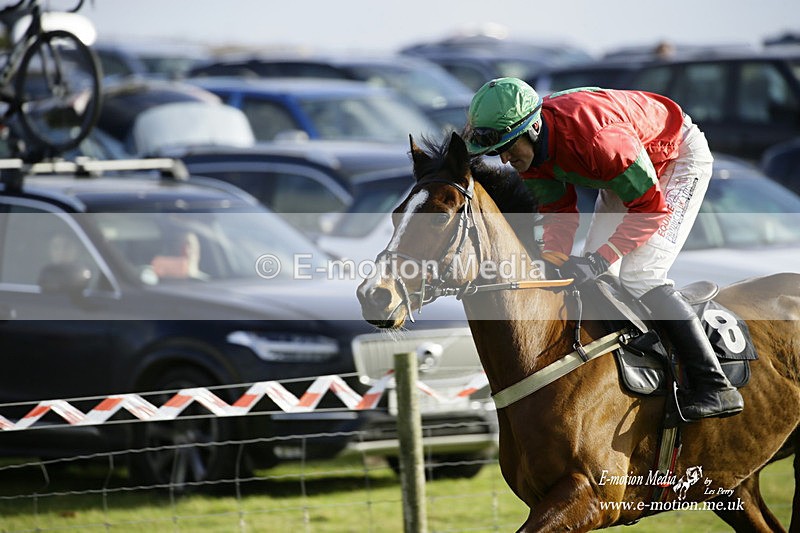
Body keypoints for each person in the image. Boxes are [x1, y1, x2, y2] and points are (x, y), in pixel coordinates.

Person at [463, 77, 743, 421]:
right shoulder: (533, 153)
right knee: (599, 281)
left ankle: (715, 386)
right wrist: (553, 261)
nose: (505, 160)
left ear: (534, 128)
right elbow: (558, 213)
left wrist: (600, 258)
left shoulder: (597, 140)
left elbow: (650, 208)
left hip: (674, 157)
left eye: (508, 148)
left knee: (640, 276)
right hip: (622, 168)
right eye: (497, 152)